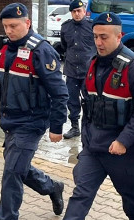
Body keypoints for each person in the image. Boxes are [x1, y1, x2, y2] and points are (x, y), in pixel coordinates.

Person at [34, 12, 134, 220]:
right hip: (94, 147)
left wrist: (123, 141)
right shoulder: (92, 62)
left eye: (104, 37)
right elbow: (89, 105)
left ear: (119, 36)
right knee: (81, 194)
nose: (98, 42)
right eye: (95, 36)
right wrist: (86, 139)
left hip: (123, 150)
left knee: (131, 196)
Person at [0, 2, 68, 220]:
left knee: (11, 173)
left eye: (14, 26)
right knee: (18, 169)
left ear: (27, 23)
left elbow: (60, 93)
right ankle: (53, 187)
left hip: (31, 123)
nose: (9, 30)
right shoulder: (3, 49)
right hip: (9, 121)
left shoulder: (41, 51)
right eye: (6, 26)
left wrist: (57, 126)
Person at [58, 0, 96, 139]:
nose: (77, 14)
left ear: (84, 11)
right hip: (72, 70)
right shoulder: (66, 27)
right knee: (72, 100)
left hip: (88, 71)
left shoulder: (92, 26)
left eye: (79, 11)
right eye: (74, 12)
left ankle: (89, 128)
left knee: (90, 101)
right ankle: (75, 127)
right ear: (71, 13)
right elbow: (64, 45)